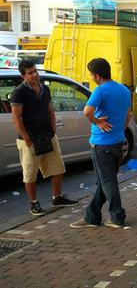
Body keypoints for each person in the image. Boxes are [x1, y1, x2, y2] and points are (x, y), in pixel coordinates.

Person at [70, 58, 132, 229]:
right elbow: (128, 114)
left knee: (108, 181)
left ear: (97, 76)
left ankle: (117, 216)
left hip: (102, 144)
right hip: (118, 142)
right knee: (104, 181)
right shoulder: (124, 90)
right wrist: (119, 129)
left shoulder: (100, 91)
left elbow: (87, 112)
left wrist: (98, 123)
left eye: (91, 74)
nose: (90, 77)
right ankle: (92, 216)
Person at [11, 60, 77, 216]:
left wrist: (53, 129)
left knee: (58, 168)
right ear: (23, 76)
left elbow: (50, 111)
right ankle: (33, 203)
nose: (34, 75)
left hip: (48, 135)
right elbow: (16, 118)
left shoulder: (44, 88)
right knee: (30, 173)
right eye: (30, 73)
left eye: (35, 71)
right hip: (30, 138)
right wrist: (27, 139)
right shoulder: (19, 92)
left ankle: (57, 197)